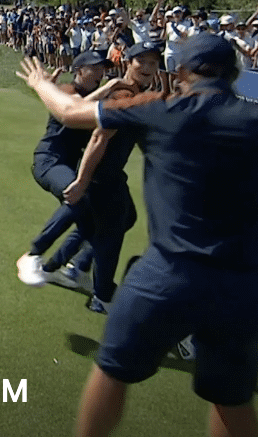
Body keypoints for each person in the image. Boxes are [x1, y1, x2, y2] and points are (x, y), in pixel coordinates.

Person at [15, 33, 258, 436]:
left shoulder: (159, 109)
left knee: (111, 373)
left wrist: (40, 82)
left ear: (180, 72)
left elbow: (70, 112)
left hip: (165, 279)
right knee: (232, 399)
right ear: (234, 73)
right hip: (247, 292)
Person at [62, 41, 162, 314]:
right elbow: (99, 137)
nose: (148, 67)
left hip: (111, 174)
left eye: (153, 63)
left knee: (124, 219)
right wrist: (83, 180)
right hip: (101, 176)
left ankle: (77, 266)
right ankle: (101, 295)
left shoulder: (138, 92)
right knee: (112, 233)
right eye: (141, 61)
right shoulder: (122, 95)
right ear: (128, 63)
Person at [16, 50, 110, 288]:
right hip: (49, 160)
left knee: (95, 223)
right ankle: (32, 255)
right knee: (78, 198)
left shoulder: (100, 96)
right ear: (79, 71)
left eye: (103, 69)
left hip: (70, 165)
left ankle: (70, 269)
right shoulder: (67, 90)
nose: (101, 73)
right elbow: (75, 108)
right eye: (95, 68)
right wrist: (111, 89)